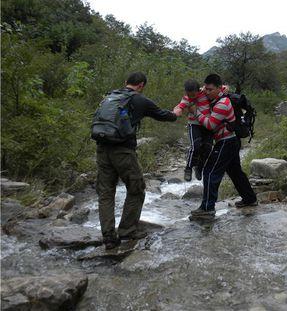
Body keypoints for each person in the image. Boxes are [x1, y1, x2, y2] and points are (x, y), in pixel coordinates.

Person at [94, 72, 177, 249]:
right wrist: (176, 112)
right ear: (141, 85)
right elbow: (164, 115)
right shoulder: (140, 100)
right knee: (136, 188)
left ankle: (108, 236)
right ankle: (127, 230)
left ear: (126, 82)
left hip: (102, 149)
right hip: (123, 151)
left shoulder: (111, 96)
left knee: (106, 192)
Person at [187, 74, 257, 218]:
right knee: (235, 171)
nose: (206, 92)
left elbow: (210, 125)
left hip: (226, 141)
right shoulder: (217, 94)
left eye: (210, 89)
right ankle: (250, 199)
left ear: (218, 88)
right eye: (205, 88)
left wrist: (195, 112)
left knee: (210, 172)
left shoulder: (222, 103)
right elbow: (199, 91)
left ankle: (207, 209)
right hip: (231, 140)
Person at [173, 79, 214, 182]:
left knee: (208, 148)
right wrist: (177, 111)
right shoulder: (186, 98)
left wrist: (225, 88)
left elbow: (219, 88)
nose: (191, 97)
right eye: (189, 94)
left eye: (193, 94)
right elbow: (180, 106)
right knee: (195, 146)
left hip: (207, 124)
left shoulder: (205, 92)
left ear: (198, 90)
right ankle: (188, 168)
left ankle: (200, 167)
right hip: (194, 124)